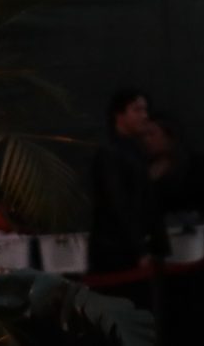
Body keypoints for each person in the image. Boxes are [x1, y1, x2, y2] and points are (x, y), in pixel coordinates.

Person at [87, 85, 162, 277]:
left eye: (145, 110)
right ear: (119, 115)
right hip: (117, 253)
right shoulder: (111, 154)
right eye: (137, 110)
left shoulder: (134, 151)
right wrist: (139, 250)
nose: (144, 116)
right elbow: (118, 203)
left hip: (128, 248)